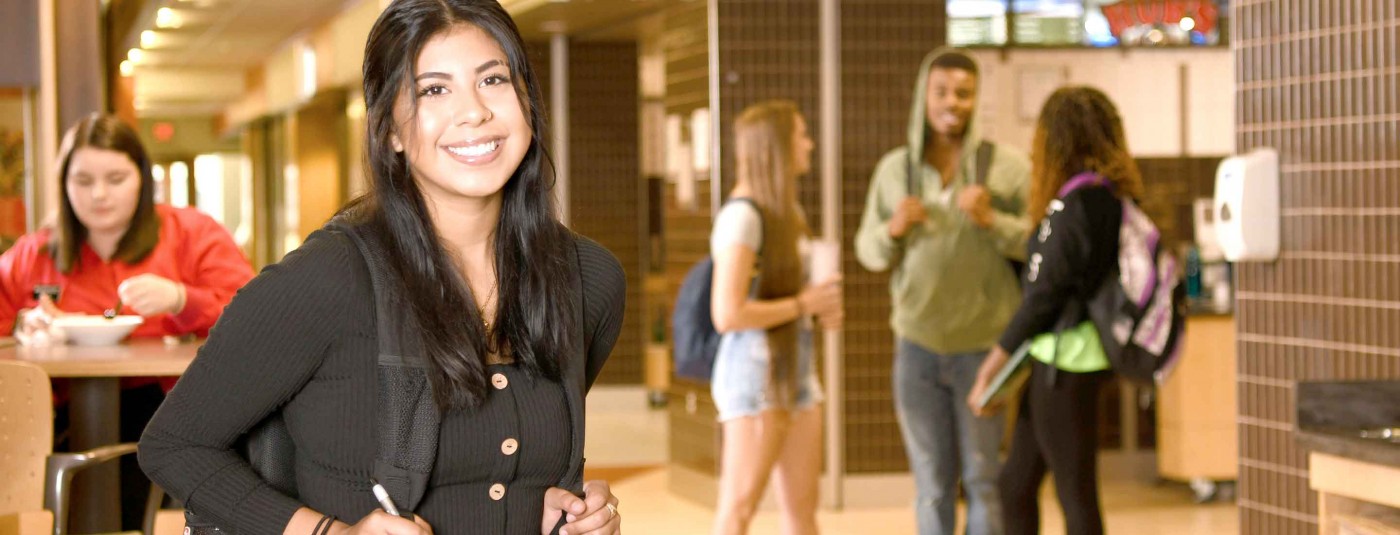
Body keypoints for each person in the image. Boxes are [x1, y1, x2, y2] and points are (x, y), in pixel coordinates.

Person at [137, 1, 625, 534]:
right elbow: (174, 444)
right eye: (434, 90)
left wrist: (570, 506)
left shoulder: (588, 279)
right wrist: (328, 533)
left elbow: (515, 455)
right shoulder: (325, 282)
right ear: (389, 129)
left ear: (526, 99)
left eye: (493, 79)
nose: (474, 112)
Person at [0, 112, 255, 529]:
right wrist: (20, 328)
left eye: (115, 179)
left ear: (141, 177)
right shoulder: (35, 253)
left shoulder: (191, 232)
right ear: (63, 184)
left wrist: (180, 298)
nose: (99, 194)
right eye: (83, 181)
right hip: (60, 412)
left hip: (174, 406)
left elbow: (253, 314)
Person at [853, 48, 1031, 535]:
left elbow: (1038, 242)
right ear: (923, 97)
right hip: (917, 350)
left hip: (985, 351)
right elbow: (866, 249)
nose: (953, 102)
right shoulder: (896, 171)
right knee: (932, 485)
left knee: (982, 479)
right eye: (942, 92)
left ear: (976, 100)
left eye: (964, 93)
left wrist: (994, 219)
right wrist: (892, 230)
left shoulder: (1007, 167)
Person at [968, 86, 1145, 535]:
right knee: (1018, 484)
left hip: (1066, 364)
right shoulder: (1111, 198)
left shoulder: (1076, 205)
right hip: (1068, 362)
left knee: (1074, 492)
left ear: (1055, 140)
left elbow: (1042, 298)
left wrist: (993, 364)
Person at [709, 100, 842, 535]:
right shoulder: (742, 216)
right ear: (776, 147)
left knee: (803, 510)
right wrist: (803, 304)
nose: (810, 144)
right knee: (739, 510)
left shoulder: (790, 213)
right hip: (754, 378)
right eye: (801, 135)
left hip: (797, 373)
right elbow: (727, 313)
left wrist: (819, 306)